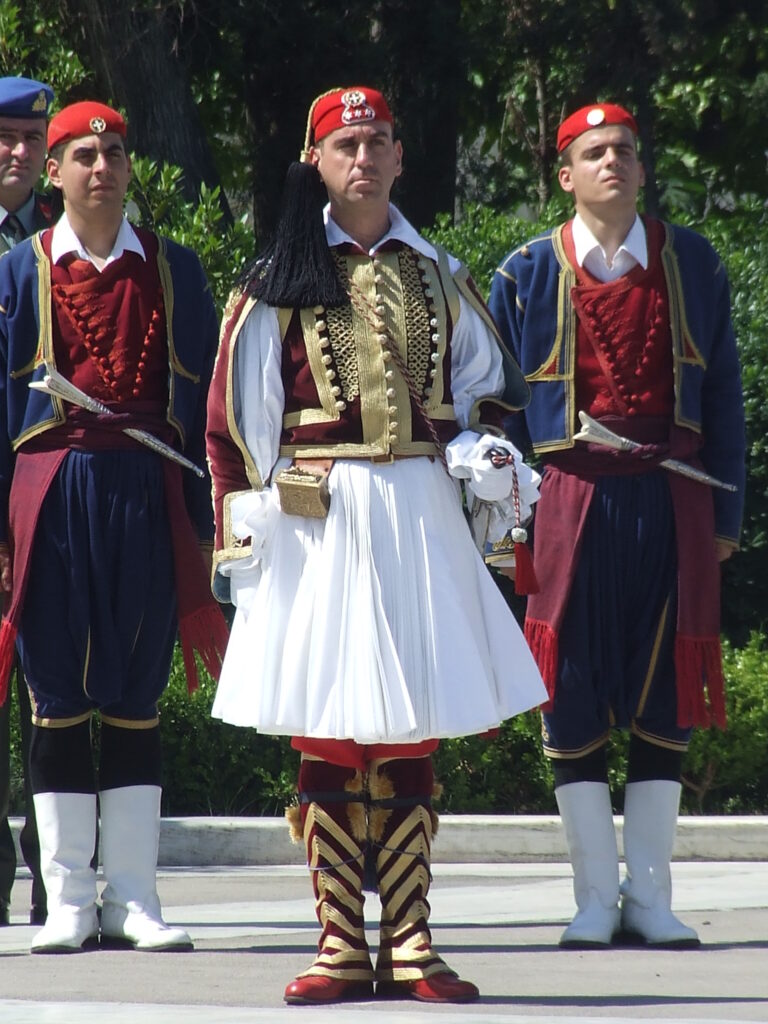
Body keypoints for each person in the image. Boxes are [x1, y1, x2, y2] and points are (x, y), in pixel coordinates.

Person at [206, 85, 547, 1005]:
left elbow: (488, 391)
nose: (364, 157)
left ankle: (409, 936)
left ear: (401, 158)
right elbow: (236, 422)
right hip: (318, 515)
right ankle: (338, 941)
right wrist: (241, 529)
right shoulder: (276, 279)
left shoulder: (437, 270)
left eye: (379, 142)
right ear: (315, 160)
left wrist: (481, 446)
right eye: (346, 143)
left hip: (418, 511)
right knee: (327, 718)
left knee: (408, 720)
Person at [488, 103, 745, 950]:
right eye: (594, 153)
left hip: (673, 501)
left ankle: (652, 898)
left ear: (642, 169)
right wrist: (506, 519)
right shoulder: (523, 272)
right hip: (566, 502)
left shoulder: (694, 263)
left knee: (665, 693)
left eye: (626, 152)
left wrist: (728, 515)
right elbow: (494, 413)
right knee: (572, 694)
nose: (613, 163)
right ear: (564, 174)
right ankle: (595, 897)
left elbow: (726, 400)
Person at [0, 100, 228, 954]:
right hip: (48, 490)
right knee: (55, 699)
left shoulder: (178, 271)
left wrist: (210, 525)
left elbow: (209, 406)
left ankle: (134, 897)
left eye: (116, 153)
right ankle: (66, 899)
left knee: (136, 696)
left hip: (146, 491)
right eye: (83, 154)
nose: (102, 167)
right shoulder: (16, 273)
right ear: (52, 173)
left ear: (132, 168)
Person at [0, 75, 55, 929]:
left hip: (48, 496)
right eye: (2, 136)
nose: (16, 153)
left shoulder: (69, 237)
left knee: (51, 688)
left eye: (28, 138)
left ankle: (61, 876)